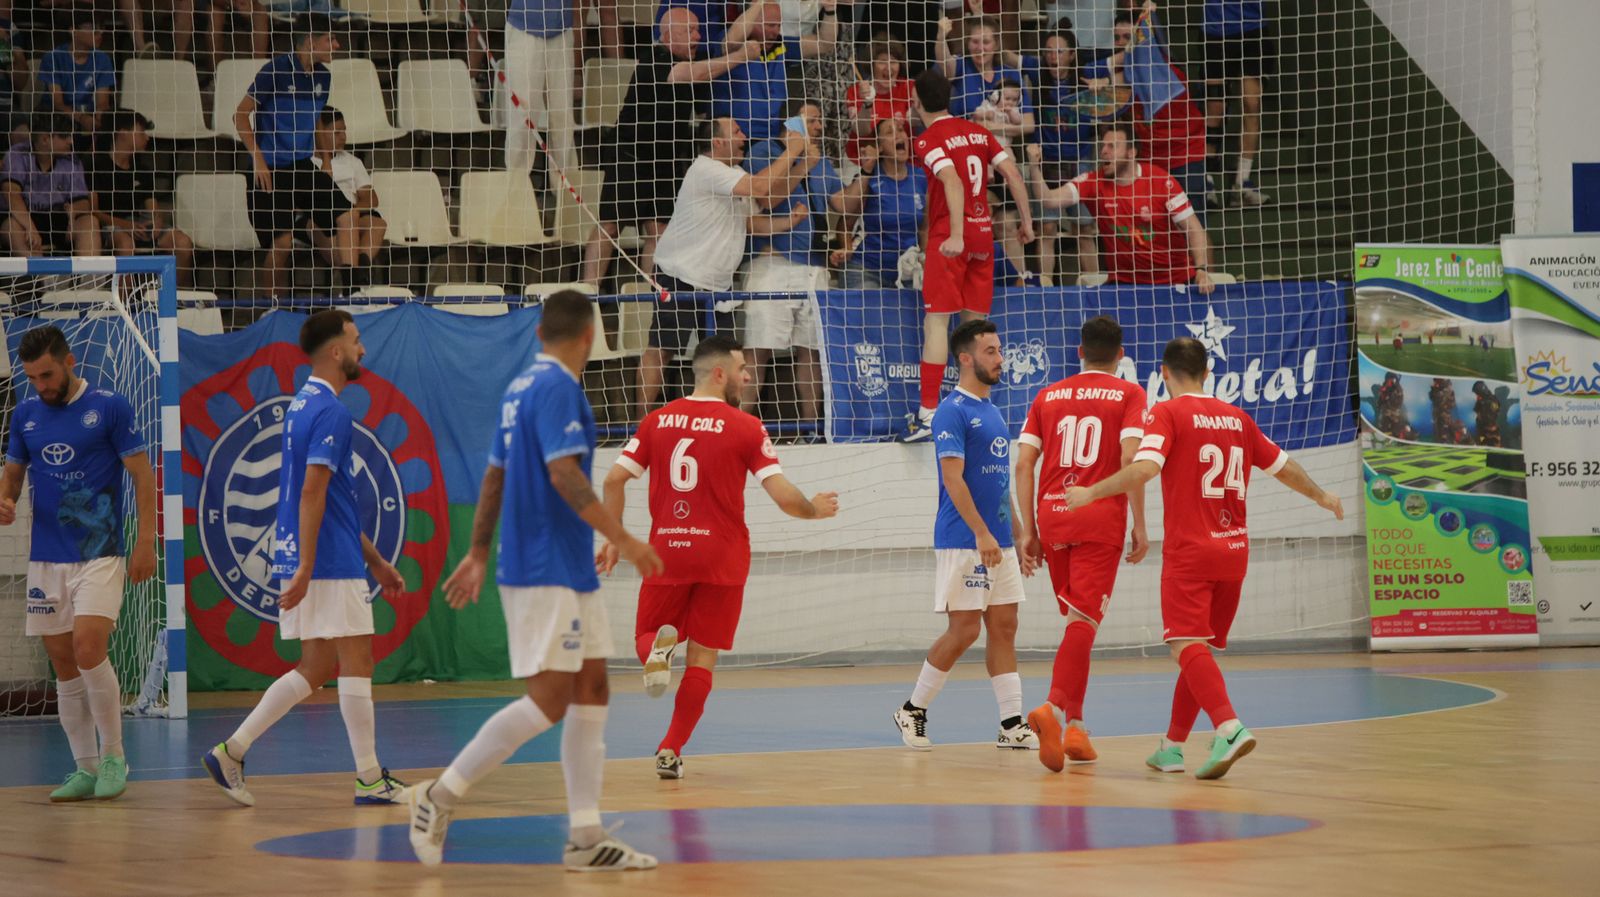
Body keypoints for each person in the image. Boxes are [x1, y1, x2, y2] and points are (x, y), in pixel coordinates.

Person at [407, 290, 665, 871]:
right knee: (551, 698)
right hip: (544, 565)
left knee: (594, 685)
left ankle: (585, 837)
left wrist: (476, 553)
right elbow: (564, 475)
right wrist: (623, 539)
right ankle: (438, 796)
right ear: (589, 336)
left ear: (540, 332)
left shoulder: (520, 388)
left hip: (563, 566)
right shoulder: (556, 388)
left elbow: (495, 476)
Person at [1065, 336, 1344, 779]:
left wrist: (1090, 493)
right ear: (1208, 374)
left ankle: (1228, 727)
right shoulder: (1237, 417)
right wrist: (1322, 495)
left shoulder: (1167, 413)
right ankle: (1172, 748)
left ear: (1163, 372)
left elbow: (1144, 468)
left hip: (1191, 552)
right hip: (1234, 552)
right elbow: (1283, 466)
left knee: (1185, 645)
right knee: (1200, 650)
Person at [600, 335, 839, 778]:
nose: (749, 377)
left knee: (650, 633)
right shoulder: (746, 427)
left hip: (667, 549)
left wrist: (614, 538)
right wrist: (813, 510)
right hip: (724, 557)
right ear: (718, 373)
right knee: (703, 658)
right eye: (742, 369)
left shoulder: (657, 420)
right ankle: (670, 750)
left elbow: (613, 481)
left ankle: (655, 650)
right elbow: (784, 497)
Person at [202, 311, 408, 807]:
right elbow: (312, 493)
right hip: (327, 563)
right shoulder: (333, 412)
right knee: (358, 660)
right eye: (356, 342)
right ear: (335, 351)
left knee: (315, 666)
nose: (363, 351)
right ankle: (368, 778)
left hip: (316, 555)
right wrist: (309, 566)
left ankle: (232, 750)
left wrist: (376, 561)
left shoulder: (301, 404)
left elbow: (328, 501)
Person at [0, 325, 156, 803]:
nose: (41, 386)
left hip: (101, 552)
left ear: (69, 361)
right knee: (64, 664)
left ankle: (114, 756)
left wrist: (146, 539)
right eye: (32, 378)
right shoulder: (25, 415)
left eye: (47, 374)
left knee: (89, 646)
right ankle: (84, 768)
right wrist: (4, 500)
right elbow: (12, 478)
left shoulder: (110, 406)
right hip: (47, 558)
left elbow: (142, 476)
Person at [892, 319, 1040, 751]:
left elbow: (998, 483)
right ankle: (912, 710)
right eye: (991, 351)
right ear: (966, 358)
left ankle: (1011, 724)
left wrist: (1018, 534)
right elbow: (953, 480)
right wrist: (981, 534)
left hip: (998, 541)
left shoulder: (993, 411)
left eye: (999, 349)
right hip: (964, 539)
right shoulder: (952, 412)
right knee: (964, 631)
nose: (1000, 358)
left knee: (1005, 626)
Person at [1013, 315, 1148, 772]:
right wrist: (1141, 523)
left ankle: (1078, 727)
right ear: (1121, 355)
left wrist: (1029, 530)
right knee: (1084, 622)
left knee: (1078, 623)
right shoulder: (1130, 393)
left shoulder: (1047, 395)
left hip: (1053, 518)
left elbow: (1024, 465)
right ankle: (1050, 710)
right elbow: (1132, 458)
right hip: (1098, 515)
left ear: (1079, 353)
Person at [639, 116, 815, 419]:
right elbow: (761, 185)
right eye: (736, 131)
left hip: (717, 286)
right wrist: (792, 151)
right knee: (662, 349)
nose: (744, 136)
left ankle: (720, 421)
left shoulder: (732, 173)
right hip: (680, 275)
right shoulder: (707, 170)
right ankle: (639, 423)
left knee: (727, 359)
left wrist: (801, 174)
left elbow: (756, 214)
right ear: (717, 142)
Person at [899, 68, 1033, 442]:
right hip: (984, 236)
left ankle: (927, 413)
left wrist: (955, 234)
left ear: (916, 99)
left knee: (937, 325)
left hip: (950, 238)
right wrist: (1028, 223)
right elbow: (1013, 175)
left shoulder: (928, 140)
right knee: (973, 330)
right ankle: (974, 408)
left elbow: (952, 181)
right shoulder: (978, 131)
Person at [582, 8, 761, 289]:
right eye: (689, 31)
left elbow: (727, 44)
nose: (697, 36)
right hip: (631, 153)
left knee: (659, 230)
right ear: (667, 36)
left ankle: (651, 296)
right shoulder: (656, 58)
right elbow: (691, 74)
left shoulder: (695, 58)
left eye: (698, 30)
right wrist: (741, 57)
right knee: (610, 225)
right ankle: (587, 293)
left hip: (667, 158)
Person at [740, 99, 847, 425]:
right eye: (812, 121)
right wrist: (801, 165)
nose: (818, 128)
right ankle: (738, 423)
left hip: (813, 265)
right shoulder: (764, 151)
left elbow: (842, 204)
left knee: (811, 350)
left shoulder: (822, 160)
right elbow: (766, 197)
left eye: (819, 123)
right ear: (791, 124)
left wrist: (869, 174)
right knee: (759, 346)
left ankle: (812, 427)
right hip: (774, 263)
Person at [235, 13, 357, 297]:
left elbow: (314, 119)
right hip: (270, 169)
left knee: (348, 215)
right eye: (331, 39)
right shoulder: (275, 70)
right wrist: (258, 159)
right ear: (310, 42)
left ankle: (353, 292)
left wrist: (325, 158)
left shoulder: (323, 77)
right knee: (282, 244)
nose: (337, 46)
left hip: (301, 167)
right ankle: (272, 309)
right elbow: (240, 115)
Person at [1034, 124, 1213, 289]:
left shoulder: (1160, 181)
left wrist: (1202, 270)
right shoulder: (1093, 182)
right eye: (1103, 146)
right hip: (1124, 284)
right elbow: (1049, 200)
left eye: (1112, 146)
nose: (1104, 151)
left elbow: (1194, 229)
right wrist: (1034, 166)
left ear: (1131, 152)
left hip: (1175, 280)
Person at [1013, 27, 1099, 283]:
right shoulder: (1036, 72)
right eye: (1048, 51)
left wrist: (1105, 84)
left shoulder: (1087, 74)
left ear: (1072, 55)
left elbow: (1123, 64)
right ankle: (1046, 283)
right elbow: (1004, 55)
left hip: (1080, 161)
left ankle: (1093, 282)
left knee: (1084, 228)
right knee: (1047, 228)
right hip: (1046, 161)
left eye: (1059, 51)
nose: (1053, 56)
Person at [89, 111, 195, 286]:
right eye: (141, 133)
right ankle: (125, 306)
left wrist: (156, 221)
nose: (146, 138)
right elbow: (93, 210)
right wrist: (127, 226)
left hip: (139, 224)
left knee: (182, 242)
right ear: (122, 132)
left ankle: (179, 303)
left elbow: (152, 205)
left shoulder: (142, 169)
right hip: (111, 226)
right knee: (125, 243)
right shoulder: (95, 165)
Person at [713, 0, 840, 145]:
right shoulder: (731, 42)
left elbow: (825, 44)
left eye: (779, 25)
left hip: (770, 139)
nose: (776, 31)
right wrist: (759, 4)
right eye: (770, 25)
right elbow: (731, 41)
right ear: (751, 21)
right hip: (734, 137)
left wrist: (830, 10)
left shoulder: (780, 45)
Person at [837, 117, 927, 288]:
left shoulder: (921, 177)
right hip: (867, 269)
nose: (898, 135)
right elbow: (845, 223)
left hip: (907, 270)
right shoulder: (869, 178)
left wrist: (925, 257)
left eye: (900, 130)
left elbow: (925, 227)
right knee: (868, 312)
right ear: (879, 147)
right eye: (889, 132)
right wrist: (847, 248)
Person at [1201, 0, 1271, 206]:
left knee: (1251, 104)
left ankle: (1242, 183)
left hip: (1254, 29)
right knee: (1215, 106)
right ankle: (1207, 181)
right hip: (1215, 30)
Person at [2, 113, 99, 257]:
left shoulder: (71, 160)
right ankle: (42, 278)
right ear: (45, 139)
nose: (71, 141)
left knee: (89, 222)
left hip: (59, 221)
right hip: (23, 218)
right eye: (65, 136)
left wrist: (72, 213)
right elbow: (11, 195)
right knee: (12, 228)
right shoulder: (18, 154)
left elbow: (83, 203)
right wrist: (31, 228)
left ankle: (90, 278)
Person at [935, 15, 1035, 146]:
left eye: (986, 42)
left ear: (996, 45)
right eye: (975, 42)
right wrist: (941, 38)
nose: (980, 48)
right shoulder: (961, 66)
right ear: (968, 43)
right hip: (965, 145)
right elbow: (945, 63)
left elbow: (1028, 125)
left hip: (1001, 147)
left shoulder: (1011, 74)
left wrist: (989, 127)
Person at [503, 0, 576, 176]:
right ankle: (517, 192)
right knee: (522, 117)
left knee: (563, 117)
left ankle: (565, 193)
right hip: (523, 29)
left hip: (561, 30)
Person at [310, 107, 386, 271]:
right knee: (338, 249)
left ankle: (362, 266)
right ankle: (352, 277)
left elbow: (371, 198)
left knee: (378, 224)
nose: (343, 137)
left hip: (351, 215)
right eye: (336, 133)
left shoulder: (353, 161)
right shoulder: (304, 163)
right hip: (319, 217)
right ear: (318, 133)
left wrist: (352, 213)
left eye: (344, 131)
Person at [36, 15, 113, 149]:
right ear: (73, 31)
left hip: (87, 114)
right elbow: (58, 103)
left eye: (101, 29)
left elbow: (103, 103)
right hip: (55, 116)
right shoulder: (53, 58)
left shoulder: (102, 59)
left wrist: (100, 123)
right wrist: (82, 118)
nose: (100, 33)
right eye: (94, 29)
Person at [842, 37, 913, 167]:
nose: (888, 68)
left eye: (893, 61)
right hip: (861, 161)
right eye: (882, 62)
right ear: (871, 65)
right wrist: (867, 102)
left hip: (900, 163)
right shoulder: (856, 91)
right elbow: (861, 131)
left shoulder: (908, 87)